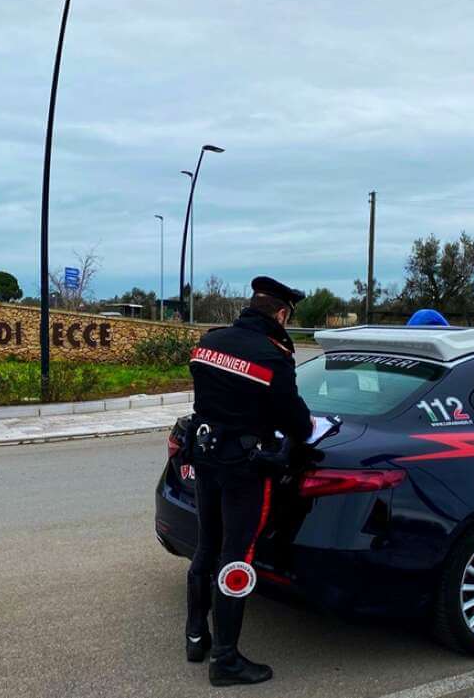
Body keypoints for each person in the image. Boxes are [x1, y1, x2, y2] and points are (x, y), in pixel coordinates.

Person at [184, 276, 313, 687]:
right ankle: (225, 660)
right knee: (237, 556)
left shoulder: (210, 341)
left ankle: (195, 636)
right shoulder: (273, 356)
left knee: (206, 545)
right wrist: (303, 424)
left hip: (205, 457)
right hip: (244, 467)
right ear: (280, 313)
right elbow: (295, 421)